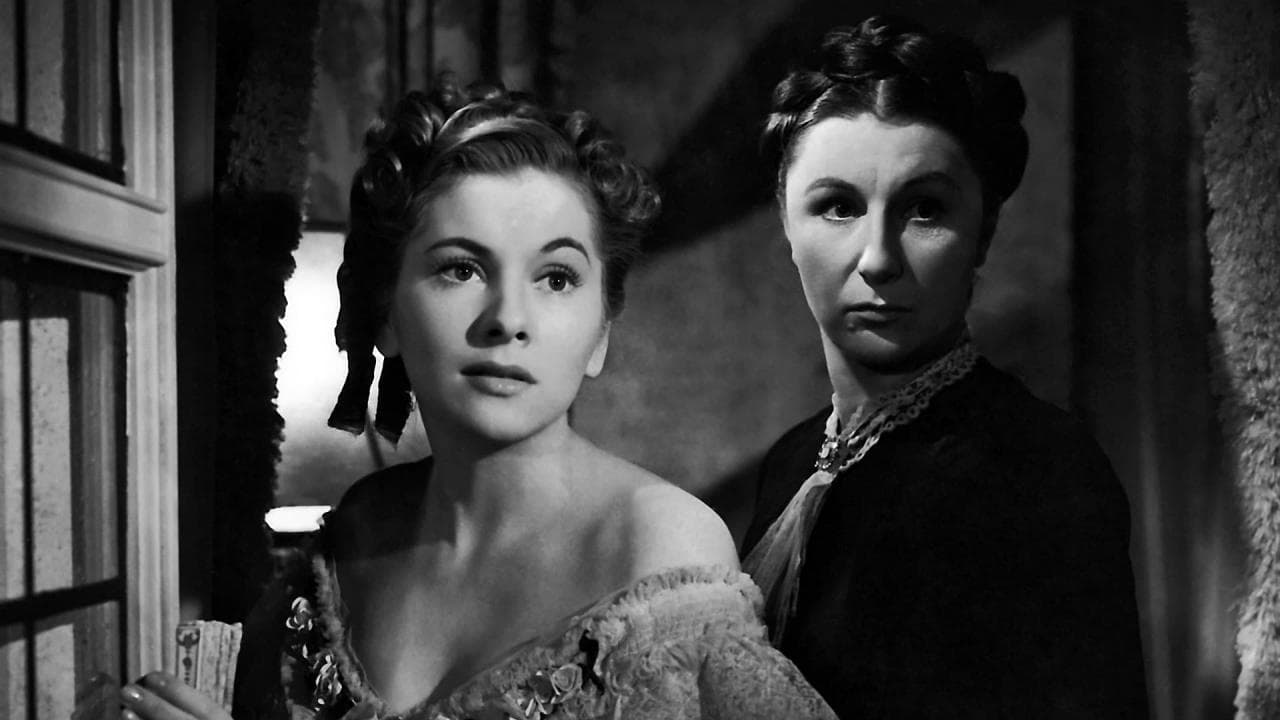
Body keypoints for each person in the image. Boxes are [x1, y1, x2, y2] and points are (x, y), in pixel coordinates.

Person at [121, 80, 835, 720]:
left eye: (556, 278)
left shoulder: (659, 550)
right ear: (386, 313)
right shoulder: (357, 531)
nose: (508, 319)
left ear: (600, 334)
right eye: (461, 269)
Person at [741, 16, 1150, 719]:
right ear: (786, 222)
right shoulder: (791, 462)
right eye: (837, 207)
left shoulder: (1038, 471)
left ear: (983, 230)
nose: (878, 258)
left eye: (925, 209)